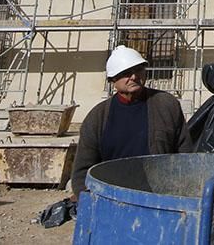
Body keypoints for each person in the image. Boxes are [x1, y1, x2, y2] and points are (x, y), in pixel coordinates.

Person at [70, 45, 193, 200]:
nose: (134, 77)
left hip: (158, 197)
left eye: (138, 70)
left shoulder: (166, 105)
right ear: (112, 79)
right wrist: (88, 200)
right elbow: (83, 170)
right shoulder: (97, 118)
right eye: (126, 73)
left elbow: (185, 155)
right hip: (114, 197)